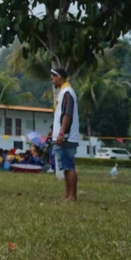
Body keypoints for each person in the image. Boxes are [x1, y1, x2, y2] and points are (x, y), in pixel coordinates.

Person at [51, 67, 80, 201]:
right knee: (66, 167)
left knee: (70, 166)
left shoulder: (67, 93)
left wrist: (62, 133)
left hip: (67, 136)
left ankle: (72, 196)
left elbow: (67, 115)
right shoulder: (63, 92)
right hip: (63, 135)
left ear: (59, 77)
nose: (52, 81)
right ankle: (67, 194)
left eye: (53, 78)